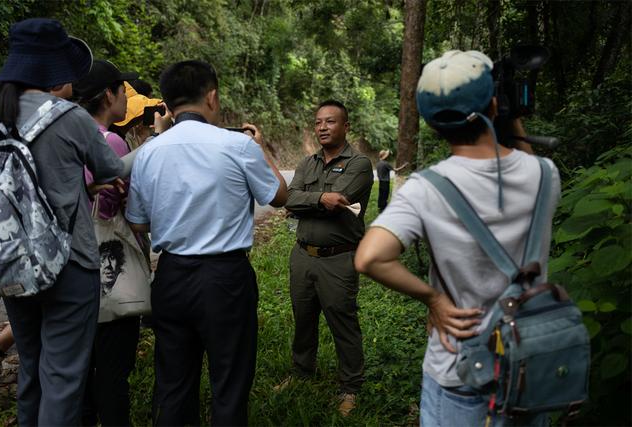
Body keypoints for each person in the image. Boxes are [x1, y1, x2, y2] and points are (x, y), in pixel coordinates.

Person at [354, 50, 560, 426]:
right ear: (494, 105)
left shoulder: (425, 189)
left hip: (459, 367)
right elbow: (523, 160)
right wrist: (509, 116)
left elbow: (369, 258)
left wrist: (433, 298)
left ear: (433, 124)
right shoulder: (545, 175)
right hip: (528, 367)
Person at [125, 59, 287, 426]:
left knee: (173, 383)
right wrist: (259, 147)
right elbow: (279, 196)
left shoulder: (150, 151)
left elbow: (136, 221)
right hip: (226, 278)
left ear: (166, 104)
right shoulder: (237, 146)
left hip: (171, 276)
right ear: (212, 97)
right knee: (229, 382)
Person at [0, 18, 124, 426]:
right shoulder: (71, 117)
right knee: (63, 378)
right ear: (53, 71)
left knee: (31, 367)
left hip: (12, 260)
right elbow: (112, 167)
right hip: (69, 264)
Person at [73, 58, 169, 427]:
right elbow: (118, 208)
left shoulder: (67, 136)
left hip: (70, 269)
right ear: (109, 95)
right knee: (112, 373)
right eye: (123, 92)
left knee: (79, 371)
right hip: (106, 268)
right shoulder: (108, 140)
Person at [281, 100, 373, 416]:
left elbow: (340, 201)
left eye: (330, 122)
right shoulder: (308, 163)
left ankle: (351, 387)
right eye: (318, 122)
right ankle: (301, 372)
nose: (322, 127)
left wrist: (305, 203)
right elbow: (288, 198)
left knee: (342, 322)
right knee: (303, 319)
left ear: (346, 126)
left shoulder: (359, 164)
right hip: (303, 256)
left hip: (338, 259)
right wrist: (320, 198)